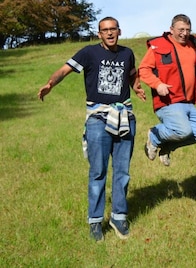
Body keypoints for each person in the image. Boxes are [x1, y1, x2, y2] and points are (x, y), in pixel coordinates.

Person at [37, 16, 146, 242]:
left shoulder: (127, 53)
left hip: (124, 116)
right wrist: (50, 84)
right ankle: (96, 221)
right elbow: (64, 71)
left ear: (119, 30)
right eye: (104, 30)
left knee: (123, 171)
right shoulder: (88, 52)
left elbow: (132, 73)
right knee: (98, 171)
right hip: (98, 118)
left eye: (113, 29)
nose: (109, 33)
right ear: (99, 34)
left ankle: (118, 216)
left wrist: (137, 88)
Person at [139, 14, 196, 166]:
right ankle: (154, 135)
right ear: (171, 29)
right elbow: (144, 69)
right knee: (183, 131)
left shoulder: (192, 45)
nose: (184, 33)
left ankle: (167, 146)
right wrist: (157, 84)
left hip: (189, 102)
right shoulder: (158, 45)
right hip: (169, 101)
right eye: (181, 29)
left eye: (188, 30)